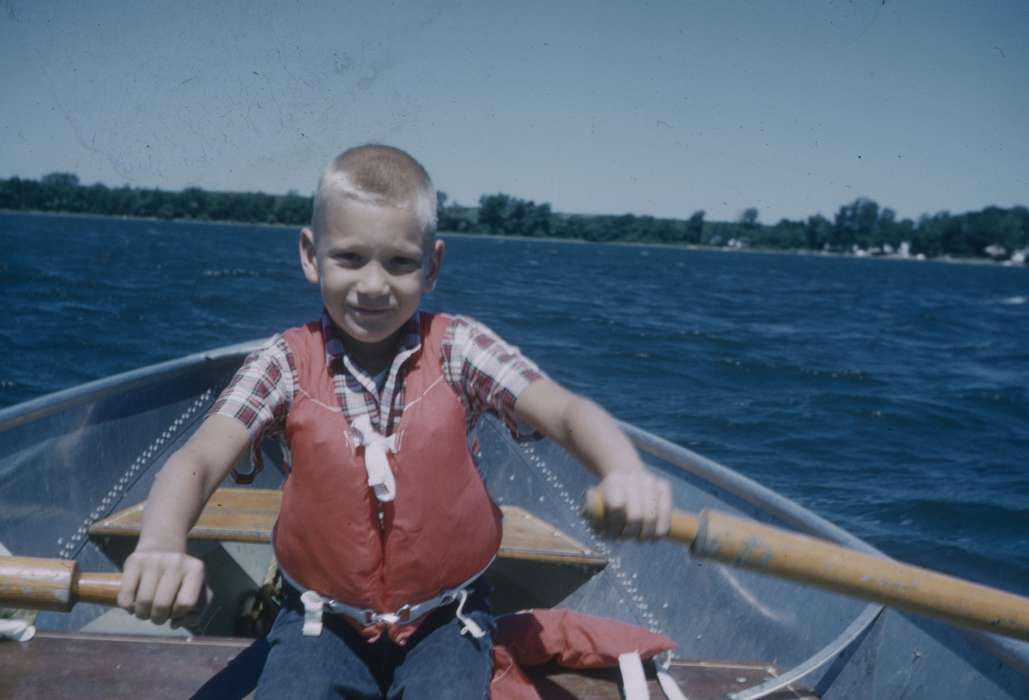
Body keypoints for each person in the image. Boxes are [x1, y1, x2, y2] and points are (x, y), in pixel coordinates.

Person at [117, 144, 673, 699]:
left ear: (431, 267)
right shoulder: (283, 362)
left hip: (445, 619)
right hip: (321, 618)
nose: (375, 285)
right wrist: (162, 542)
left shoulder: (460, 349)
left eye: (400, 262)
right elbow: (200, 456)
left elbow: (565, 410)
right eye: (350, 258)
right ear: (311, 255)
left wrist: (622, 468)